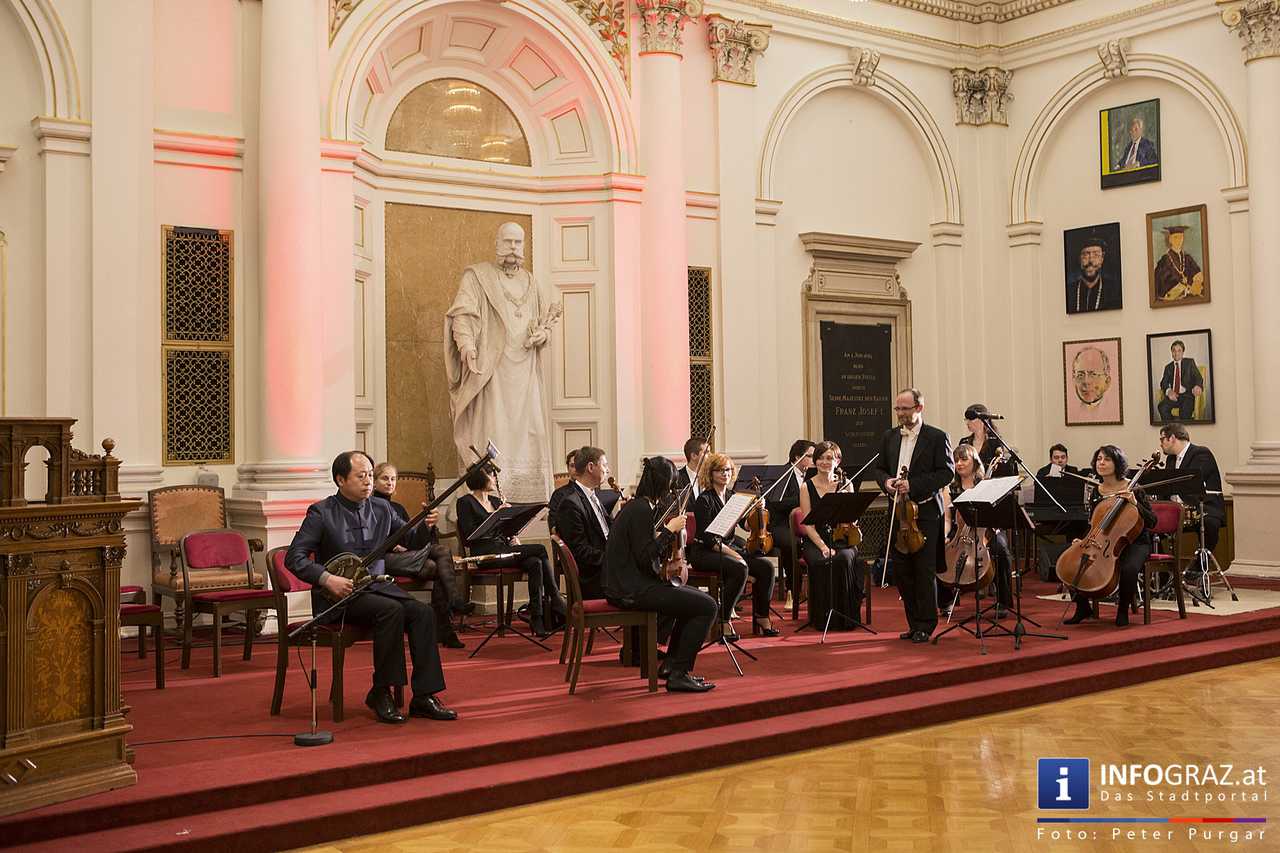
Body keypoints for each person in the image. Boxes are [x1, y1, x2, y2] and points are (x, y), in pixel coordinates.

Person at [285, 451, 456, 724]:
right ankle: (381, 692)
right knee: (391, 611)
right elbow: (294, 557)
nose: (368, 481)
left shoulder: (382, 508)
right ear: (340, 480)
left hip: (377, 589)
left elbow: (411, 540)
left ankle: (424, 695)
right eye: (360, 476)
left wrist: (425, 524)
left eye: (369, 475)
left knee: (423, 613)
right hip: (338, 597)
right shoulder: (321, 512)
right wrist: (326, 578)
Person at [444, 222, 562, 501]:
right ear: (497, 243)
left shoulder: (532, 282)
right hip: (492, 368)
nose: (512, 248)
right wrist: (467, 346)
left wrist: (542, 334)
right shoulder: (477, 276)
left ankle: (527, 497)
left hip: (525, 371)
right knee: (493, 428)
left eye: (518, 242)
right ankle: (492, 494)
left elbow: (546, 322)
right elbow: (462, 314)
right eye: (507, 241)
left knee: (529, 431)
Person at [604, 456, 718, 693]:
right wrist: (668, 531)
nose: (673, 491)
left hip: (631, 583)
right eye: (672, 485)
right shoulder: (641, 510)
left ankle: (671, 666)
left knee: (694, 602)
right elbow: (646, 558)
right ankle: (678, 674)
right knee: (707, 606)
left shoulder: (640, 506)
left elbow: (643, 552)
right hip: (630, 589)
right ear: (664, 484)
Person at [870, 388, 955, 644]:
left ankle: (926, 625)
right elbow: (879, 468)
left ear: (919, 408)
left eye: (904, 409)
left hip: (926, 512)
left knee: (923, 570)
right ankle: (913, 623)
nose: (900, 414)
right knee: (903, 572)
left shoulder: (937, 437)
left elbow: (946, 473)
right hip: (898, 512)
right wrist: (887, 482)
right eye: (897, 409)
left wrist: (914, 485)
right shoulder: (889, 437)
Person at [371, 462, 472, 649]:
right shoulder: (371, 506)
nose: (390, 483)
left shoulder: (398, 508)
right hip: (383, 559)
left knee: (435, 567)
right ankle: (452, 608)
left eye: (393, 479)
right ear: (374, 482)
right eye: (385, 478)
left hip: (406, 555)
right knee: (441, 553)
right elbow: (373, 539)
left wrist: (427, 524)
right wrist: (395, 546)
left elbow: (412, 538)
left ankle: (445, 625)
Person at [455, 466, 565, 638]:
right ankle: (556, 599)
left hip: (504, 549)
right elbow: (470, 536)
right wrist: (495, 516)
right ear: (480, 477)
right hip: (485, 554)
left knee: (535, 562)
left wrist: (513, 532)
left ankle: (537, 617)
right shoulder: (465, 502)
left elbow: (505, 531)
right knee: (540, 549)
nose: (495, 479)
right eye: (492, 475)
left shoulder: (496, 501)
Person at [1062, 445, 1155, 628]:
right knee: (1070, 562)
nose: (1101, 463)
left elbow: (1152, 521)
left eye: (1106, 459)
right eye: (1099, 459)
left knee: (1128, 569)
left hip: (1135, 542)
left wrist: (1135, 503)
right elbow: (1093, 522)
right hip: (1102, 541)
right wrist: (1082, 540)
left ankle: (1122, 611)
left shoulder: (1133, 487)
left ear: (1117, 464)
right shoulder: (1097, 490)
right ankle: (1082, 607)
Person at [689, 453, 779, 637]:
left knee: (766, 567)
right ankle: (723, 619)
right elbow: (709, 539)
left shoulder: (732, 496)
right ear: (711, 473)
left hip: (727, 548)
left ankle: (762, 615)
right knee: (740, 567)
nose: (725, 474)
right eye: (720, 470)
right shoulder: (704, 500)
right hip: (705, 552)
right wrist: (736, 555)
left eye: (728, 470)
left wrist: (757, 510)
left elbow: (745, 525)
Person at [796, 441, 865, 630]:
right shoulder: (806, 487)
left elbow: (853, 520)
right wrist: (823, 547)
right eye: (820, 458)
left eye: (829, 458)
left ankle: (845, 617)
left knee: (843, 558)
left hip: (842, 538)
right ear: (815, 462)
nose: (824, 462)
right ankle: (822, 616)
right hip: (816, 539)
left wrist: (848, 509)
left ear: (838, 461)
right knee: (820, 561)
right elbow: (808, 524)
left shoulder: (847, 484)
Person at [941, 444, 1013, 614]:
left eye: (964, 459)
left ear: (974, 461)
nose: (959, 463)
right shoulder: (949, 488)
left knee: (1001, 550)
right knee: (940, 552)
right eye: (956, 460)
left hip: (987, 530)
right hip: (959, 531)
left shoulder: (986, 483)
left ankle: (1004, 601)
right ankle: (946, 601)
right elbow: (947, 518)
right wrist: (945, 536)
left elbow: (997, 515)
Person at [553, 446, 614, 601]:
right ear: (591, 467)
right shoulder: (570, 503)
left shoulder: (592, 497)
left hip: (607, 571)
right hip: (594, 579)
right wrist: (614, 559)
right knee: (650, 588)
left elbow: (609, 532)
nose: (608, 470)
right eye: (604, 465)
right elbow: (581, 552)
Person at [1159, 423, 1225, 559]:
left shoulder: (1201, 453)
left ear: (1172, 438)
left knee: (1209, 525)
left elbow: (1191, 481)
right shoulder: (1170, 459)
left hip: (1201, 509)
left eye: (1162, 439)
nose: (1161, 444)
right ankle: (1162, 571)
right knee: (1148, 527)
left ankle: (1199, 567)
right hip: (1177, 511)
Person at [766, 439, 816, 601]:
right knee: (792, 543)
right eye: (810, 456)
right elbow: (775, 503)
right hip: (781, 524)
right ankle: (793, 589)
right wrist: (804, 498)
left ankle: (818, 588)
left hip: (806, 523)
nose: (814, 461)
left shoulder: (813, 476)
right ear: (797, 457)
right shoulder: (782, 474)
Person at [1066, 234, 1121, 313]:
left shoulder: (1114, 290)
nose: (1091, 260)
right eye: (1085, 255)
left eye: (1096, 255)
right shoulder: (1070, 290)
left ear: (1102, 259)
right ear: (1079, 259)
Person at [958, 404, 1013, 476]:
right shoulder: (964, 442)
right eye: (966, 419)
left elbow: (999, 467)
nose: (967, 423)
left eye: (971, 419)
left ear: (982, 420)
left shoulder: (995, 441)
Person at [1153, 225, 1204, 302]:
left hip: (1190, 297)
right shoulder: (1165, 260)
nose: (1179, 240)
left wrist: (1197, 283)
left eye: (1181, 237)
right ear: (1170, 239)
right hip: (1172, 299)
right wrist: (1182, 288)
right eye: (1175, 237)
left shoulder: (1187, 258)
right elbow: (1162, 283)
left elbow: (1197, 273)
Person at [1157, 339, 1204, 423]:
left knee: (1185, 412)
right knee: (1162, 407)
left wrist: (1198, 386)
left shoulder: (1189, 363)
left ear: (1183, 352)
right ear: (1171, 352)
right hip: (1174, 396)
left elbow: (1198, 377)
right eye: (1174, 350)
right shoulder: (1168, 367)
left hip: (1187, 396)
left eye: (1179, 350)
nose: (1176, 353)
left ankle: (1183, 433)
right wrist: (1169, 391)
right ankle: (1171, 428)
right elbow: (1163, 382)